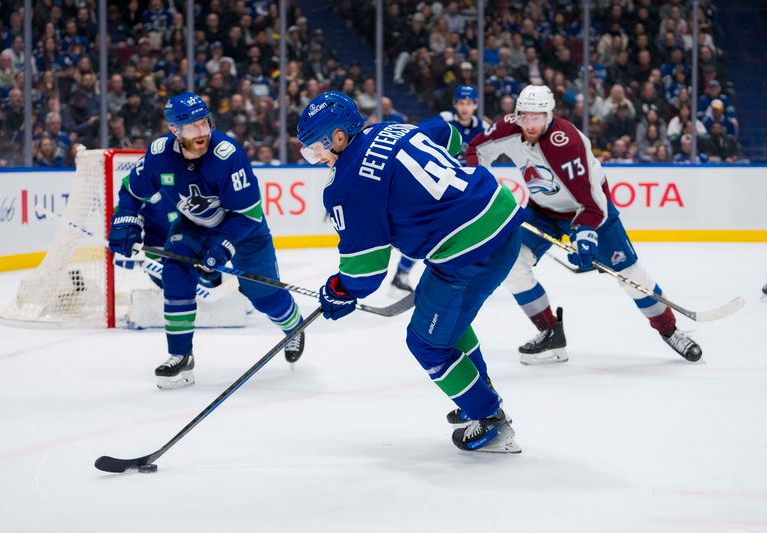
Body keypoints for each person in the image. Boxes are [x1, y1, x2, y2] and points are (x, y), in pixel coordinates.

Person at [297, 91, 527, 453]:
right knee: (448, 324)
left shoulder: (345, 184)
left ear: (339, 137)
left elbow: (366, 273)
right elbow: (449, 133)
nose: (316, 159)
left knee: (426, 343)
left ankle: (489, 419)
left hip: (467, 254)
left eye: (316, 148)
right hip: (503, 218)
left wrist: (339, 289)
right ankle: (478, 395)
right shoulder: (392, 128)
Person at [466, 85, 702, 365]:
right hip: (542, 211)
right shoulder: (509, 128)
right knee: (514, 264)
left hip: (590, 210)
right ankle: (550, 332)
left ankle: (670, 330)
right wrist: (477, 187)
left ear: (549, 115)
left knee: (630, 274)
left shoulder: (566, 144)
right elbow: (475, 150)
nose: (529, 124)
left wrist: (584, 236)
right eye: (524, 117)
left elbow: (592, 203)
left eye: (537, 118)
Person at [108, 92, 306, 389]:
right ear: (175, 130)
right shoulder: (159, 153)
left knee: (262, 295)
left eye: (204, 123)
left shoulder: (227, 155)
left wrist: (223, 245)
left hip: (245, 231)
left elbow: (248, 214)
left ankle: (294, 326)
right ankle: (180, 356)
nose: (202, 132)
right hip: (195, 225)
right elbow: (131, 190)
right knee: (175, 268)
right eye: (192, 126)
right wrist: (125, 218)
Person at [390, 85, 490, 292]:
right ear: (454, 104)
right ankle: (403, 273)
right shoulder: (445, 119)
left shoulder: (483, 126)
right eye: (461, 103)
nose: (464, 107)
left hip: (462, 188)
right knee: (431, 228)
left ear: (475, 105)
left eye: (469, 103)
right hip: (437, 184)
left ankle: (459, 276)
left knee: (464, 231)